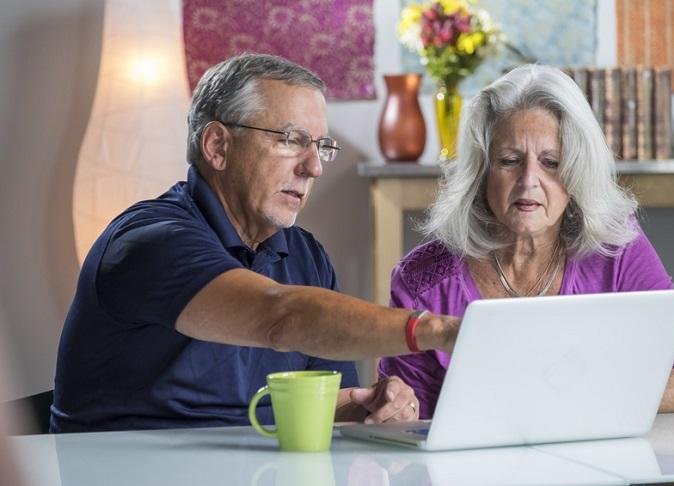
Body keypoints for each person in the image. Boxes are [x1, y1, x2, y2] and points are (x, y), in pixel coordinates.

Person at [50, 53, 459, 433]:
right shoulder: (150, 242)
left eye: (320, 146)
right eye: (291, 139)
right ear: (217, 146)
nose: (313, 167)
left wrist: (369, 407)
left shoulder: (306, 255)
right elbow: (279, 315)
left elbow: (320, 403)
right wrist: (439, 330)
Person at [378, 64, 674, 419]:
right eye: (509, 161)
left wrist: (552, 401)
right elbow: (408, 423)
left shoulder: (616, 248)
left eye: (551, 162)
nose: (529, 182)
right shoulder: (421, 279)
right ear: (481, 171)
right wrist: (397, 408)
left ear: (576, 170)